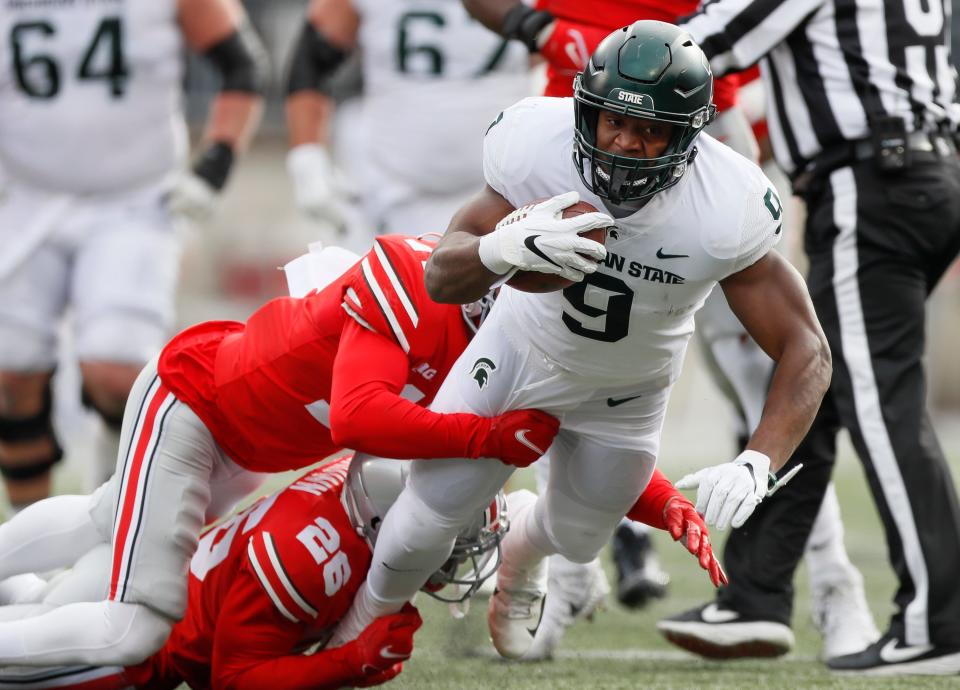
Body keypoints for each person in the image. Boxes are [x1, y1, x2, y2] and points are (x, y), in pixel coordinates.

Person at [327, 21, 832, 661]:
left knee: (576, 533)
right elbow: (440, 277)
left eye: (649, 131)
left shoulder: (725, 207)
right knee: (426, 517)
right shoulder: (534, 146)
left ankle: (521, 552)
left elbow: (807, 348)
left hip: (627, 391)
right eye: (612, 122)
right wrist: (497, 248)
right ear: (583, 111)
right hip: (516, 350)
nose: (624, 143)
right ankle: (358, 629)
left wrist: (759, 458)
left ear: (688, 137)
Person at [0, 233, 564, 667]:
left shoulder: (476, 336)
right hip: (196, 403)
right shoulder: (409, 281)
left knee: (109, 519)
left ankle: (28, 606)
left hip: (251, 446)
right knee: (135, 627)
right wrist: (484, 437)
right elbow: (356, 415)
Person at [655, 0, 960, 676]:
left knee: (884, 409)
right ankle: (755, 596)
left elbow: (702, 42)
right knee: (807, 384)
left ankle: (939, 622)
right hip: (924, 171)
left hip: (869, 184)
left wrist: (601, 55)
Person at [0, 0, 269, 510]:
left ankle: (116, 496)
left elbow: (241, 63)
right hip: (22, 197)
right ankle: (25, 550)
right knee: (12, 377)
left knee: (118, 369)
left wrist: (213, 165)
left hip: (132, 199)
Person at [0, 454, 495, 689]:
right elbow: (232, 679)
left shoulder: (359, 486)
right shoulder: (309, 562)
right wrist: (347, 662)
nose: (457, 555)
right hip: (128, 655)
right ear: (387, 524)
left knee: (33, 605)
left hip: (129, 575)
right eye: (451, 538)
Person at [284, 0, 532, 248]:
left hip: (503, 186)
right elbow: (313, 56)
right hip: (392, 181)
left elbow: (561, 52)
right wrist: (307, 158)